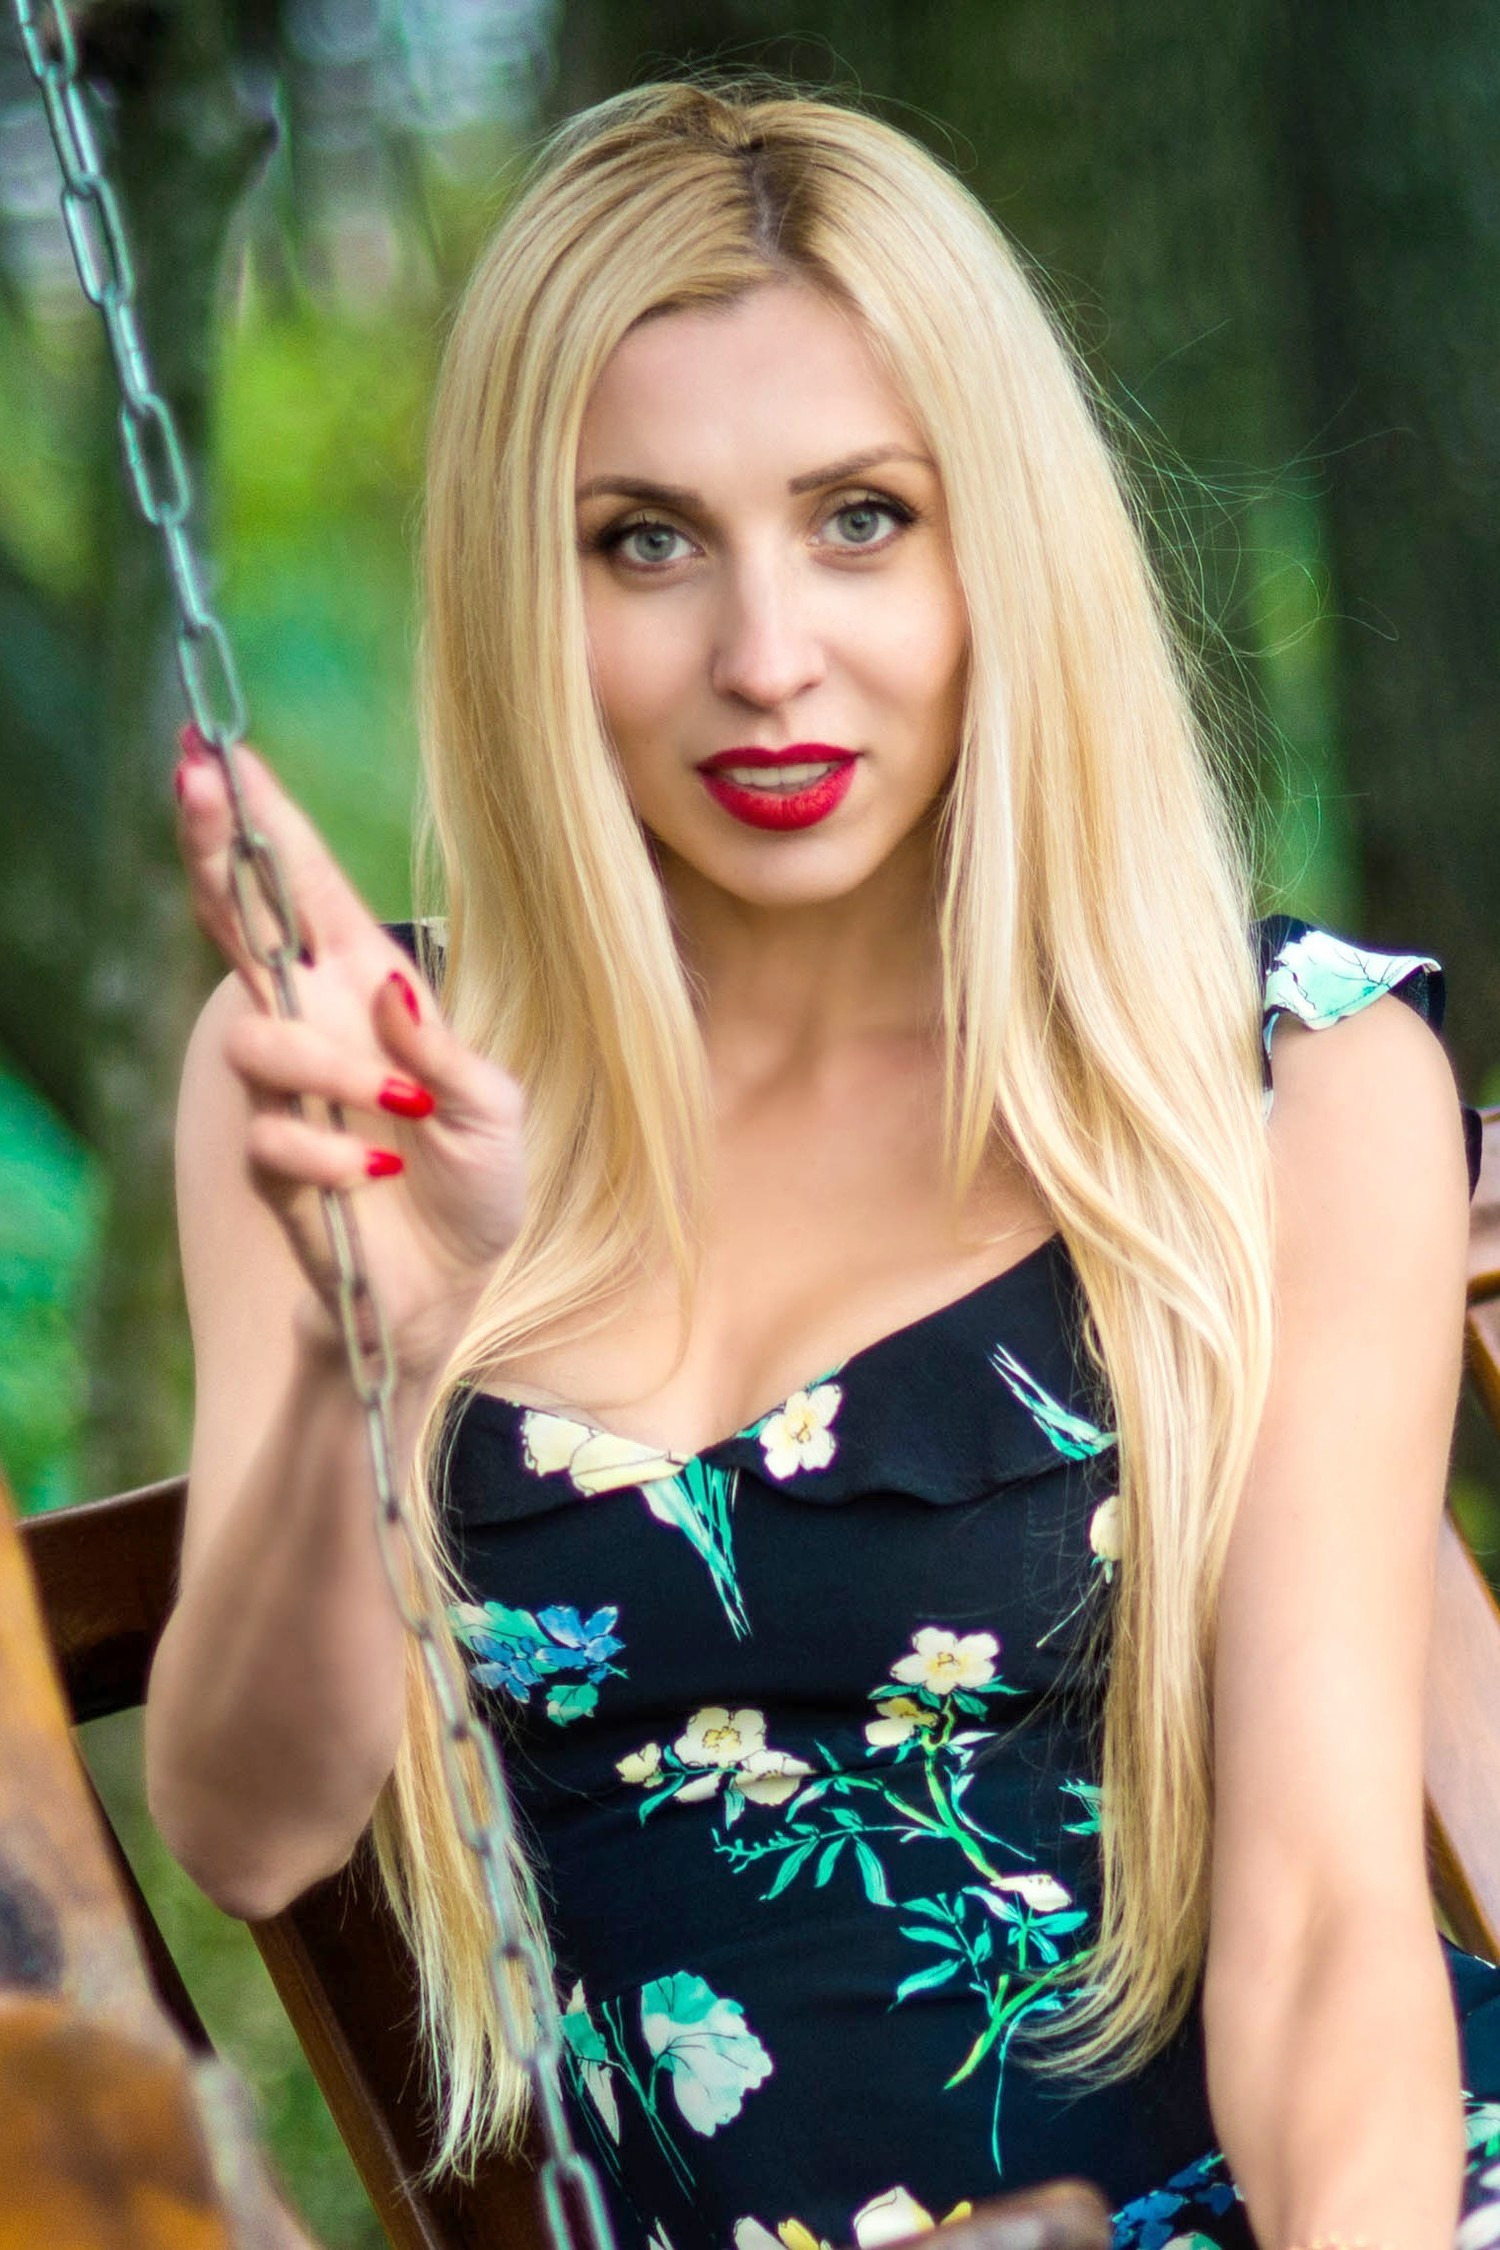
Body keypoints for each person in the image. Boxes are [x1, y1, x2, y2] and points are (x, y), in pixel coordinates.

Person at [146, 79, 1500, 2250]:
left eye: (863, 518)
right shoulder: (350, 1074)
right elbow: (246, 1828)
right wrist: (362, 1362)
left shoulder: (1280, 1085)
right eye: (645, 540)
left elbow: (1333, 1925)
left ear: (1002, 548)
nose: (766, 659)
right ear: (521, 585)